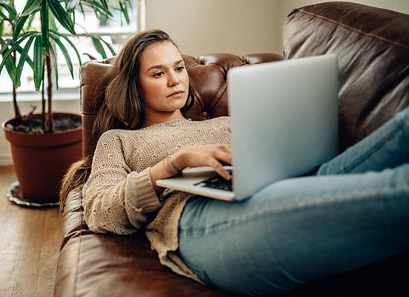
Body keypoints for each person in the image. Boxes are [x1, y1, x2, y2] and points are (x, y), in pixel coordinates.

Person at [61, 29, 409, 296]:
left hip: (279, 185)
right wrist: (174, 163)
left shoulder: (224, 123)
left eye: (179, 68)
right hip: (201, 219)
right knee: (396, 190)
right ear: (134, 88)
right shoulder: (120, 139)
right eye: (157, 73)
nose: (175, 80)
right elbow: (99, 211)